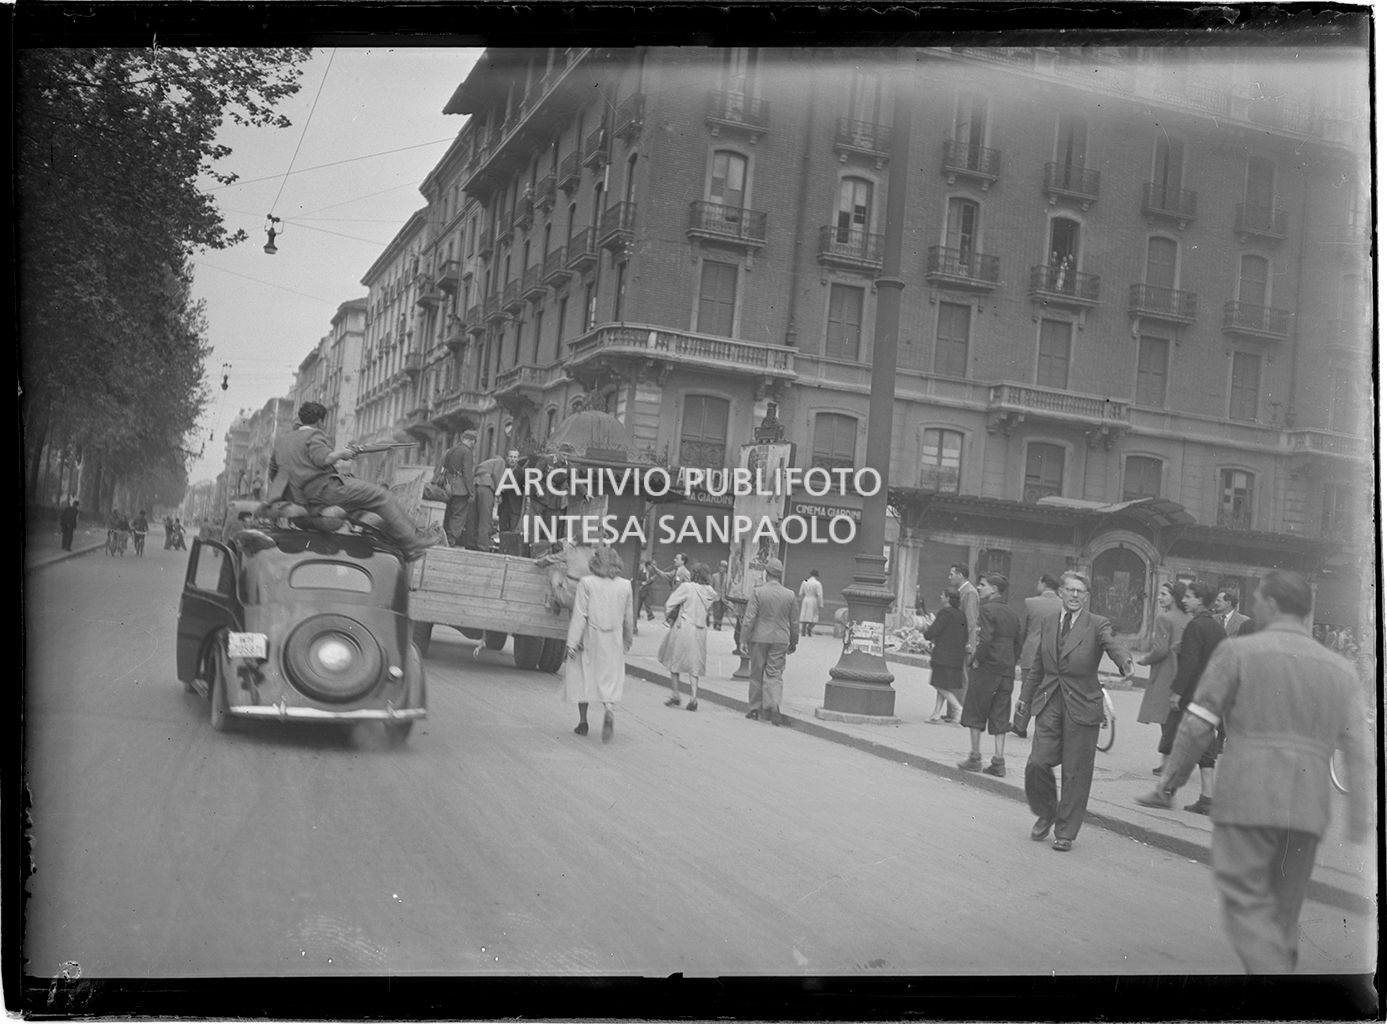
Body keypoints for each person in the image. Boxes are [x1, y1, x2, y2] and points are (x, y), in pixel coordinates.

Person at [1134, 571, 1371, 973]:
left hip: (1249, 796)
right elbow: (1360, 751)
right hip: (1308, 807)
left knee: (1244, 897)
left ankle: (1273, 985)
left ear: (1273, 605)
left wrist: (1169, 784)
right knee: (1284, 906)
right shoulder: (1340, 669)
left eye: (1258, 599)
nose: (1254, 606)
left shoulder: (1238, 653)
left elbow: (1196, 725)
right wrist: (1362, 820)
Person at [1014, 570, 1133, 851]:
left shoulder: (1097, 624)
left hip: (1082, 703)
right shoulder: (1049, 622)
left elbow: (1111, 644)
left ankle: (1065, 831)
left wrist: (1124, 662)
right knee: (1037, 763)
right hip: (1051, 700)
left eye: (1081, 591)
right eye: (1070, 590)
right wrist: (1024, 699)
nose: (1075, 595)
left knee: (1075, 772)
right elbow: (1039, 666)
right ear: (1061, 593)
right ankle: (1047, 812)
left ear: (1087, 596)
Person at [266, 401, 439, 559]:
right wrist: (342, 454)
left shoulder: (282, 441)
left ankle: (406, 549)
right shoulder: (315, 435)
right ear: (320, 421)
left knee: (364, 513)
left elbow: (274, 473)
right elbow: (322, 459)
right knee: (381, 496)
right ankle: (413, 539)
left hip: (303, 498)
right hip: (324, 491)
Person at [1156, 580, 1226, 815]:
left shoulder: (1196, 626)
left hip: (1192, 694)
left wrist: (1177, 692)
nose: (1183, 600)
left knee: (1172, 740)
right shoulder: (1216, 627)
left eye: (1188, 596)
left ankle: (1163, 792)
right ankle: (1207, 797)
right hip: (1210, 693)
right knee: (1206, 747)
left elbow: (1190, 663)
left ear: (1200, 600)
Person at [564, 546, 634, 743]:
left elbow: (579, 615)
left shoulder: (587, 583)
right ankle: (609, 709)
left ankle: (583, 721)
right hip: (613, 638)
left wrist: (572, 643)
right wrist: (627, 640)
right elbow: (629, 617)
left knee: (583, 676)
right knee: (609, 678)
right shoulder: (625, 585)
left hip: (590, 637)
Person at [958, 574, 1022, 777]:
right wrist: (1011, 660)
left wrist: (976, 659)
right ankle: (998, 760)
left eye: (983, 585)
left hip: (987, 668)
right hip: (1006, 668)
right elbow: (1018, 642)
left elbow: (984, 639)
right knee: (1001, 712)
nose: (979, 587)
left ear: (994, 589)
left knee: (975, 709)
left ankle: (975, 757)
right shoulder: (1013, 613)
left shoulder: (986, 610)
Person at [1136, 580, 1190, 776]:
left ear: (1174, 597)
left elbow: (1160, 649)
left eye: (1164, 594)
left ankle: (1168, 763)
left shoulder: (1164, 618)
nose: (1159, 597)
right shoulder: (1188, 618)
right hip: (1183, 670)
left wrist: (1145, 660)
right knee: (1176, 719)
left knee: (1165, 718)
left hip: (1166, 671)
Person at [742, 557, 798, 726]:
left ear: (767, 573)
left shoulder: (758, 592)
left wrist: (744, 639)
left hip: (759, 637)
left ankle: (754, 709)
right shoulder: (789, 595)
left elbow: (749, 618)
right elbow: (794, 622)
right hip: (780, 639)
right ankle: (773, 705)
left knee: (756, 673)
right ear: (780, 575)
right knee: (774, 673)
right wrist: (794, 641)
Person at [658, 561, 718, 712]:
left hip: (683, 627)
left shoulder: (687, 588)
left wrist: (670, 616)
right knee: (694, 664)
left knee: (675, 660)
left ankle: (676, 694)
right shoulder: (710, 592)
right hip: (700, 630)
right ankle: (693, 697)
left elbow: (669, 604)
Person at [923, 588, 967, 723]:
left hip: (943, 655)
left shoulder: (945, 613)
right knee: (943, 685)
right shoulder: (961, 615)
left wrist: (927, 631)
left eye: (942, 595)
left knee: (938, 684)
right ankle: (936, 713)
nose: (940, 597)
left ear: (948, 598)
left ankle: (958, 708)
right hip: (957, 655)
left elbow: (933, 631)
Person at [1016, 574, 1062, 682]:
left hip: (1031, 653)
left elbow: (1022, 631)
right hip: (1054, 655)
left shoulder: (1030, 603)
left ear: (1043, 583)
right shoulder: (1063, 605)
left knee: (1028, 689)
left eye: (1039, 582)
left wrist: (1018, 653)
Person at [438, 429, 477, 547]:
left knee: (448, 513)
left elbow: (443, 465)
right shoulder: (467, 452)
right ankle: (451, 541)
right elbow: (467, 474)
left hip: (448, 486)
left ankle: (442, 538)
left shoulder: (451, 450)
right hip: (460, 488)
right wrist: (471, 492)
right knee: (458, 515)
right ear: (471, 441)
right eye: (474, 442)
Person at [469, 450, 507, 551]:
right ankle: (483, 546)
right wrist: (499, 494)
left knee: (474, 517)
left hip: (475, 485)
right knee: (485, 518)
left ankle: (471, 543)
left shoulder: (486, 463)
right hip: (486, 487)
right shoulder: (501, 461)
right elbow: (498, 477)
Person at [947, 564, 980, 661]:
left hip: (964, 644)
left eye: (951, 574)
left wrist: (960, 639)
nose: (949, 577)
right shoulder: (961, 591)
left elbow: (969, 620)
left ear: (960, 575)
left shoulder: (970, 592)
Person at [497, 449, 524, 535]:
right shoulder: (502, 469)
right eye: (511, 456)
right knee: (502, 530)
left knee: (513, 532)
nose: (512, 459)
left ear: (518, 459)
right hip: (503, 505)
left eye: (515, 457)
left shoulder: (522, 472)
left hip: (515, 506)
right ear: (507, 458)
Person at [797, 569, 824, 637]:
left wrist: (800, 599)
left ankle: (803, 632)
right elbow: (819, 595)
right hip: (813, 599)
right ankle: (809, 628)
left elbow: (800, 593)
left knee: (804, 615)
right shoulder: (817, 583)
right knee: (814, 616)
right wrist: (820, 604)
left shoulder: (805, 581)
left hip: (805, 599)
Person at [710, 560, 730, 631]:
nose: (722, 568)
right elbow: (711, 586)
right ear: (719, 567)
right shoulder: (714, 576)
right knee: (716, 611)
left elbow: (728, 588)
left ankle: (719, 624)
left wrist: (727, 597)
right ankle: (717, 624)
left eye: (724, 567)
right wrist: (712, 595)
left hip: (724, 598)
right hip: (716, 596)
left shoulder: (728, 577)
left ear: (726, 568)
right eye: (721, 566)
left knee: (721, 612)